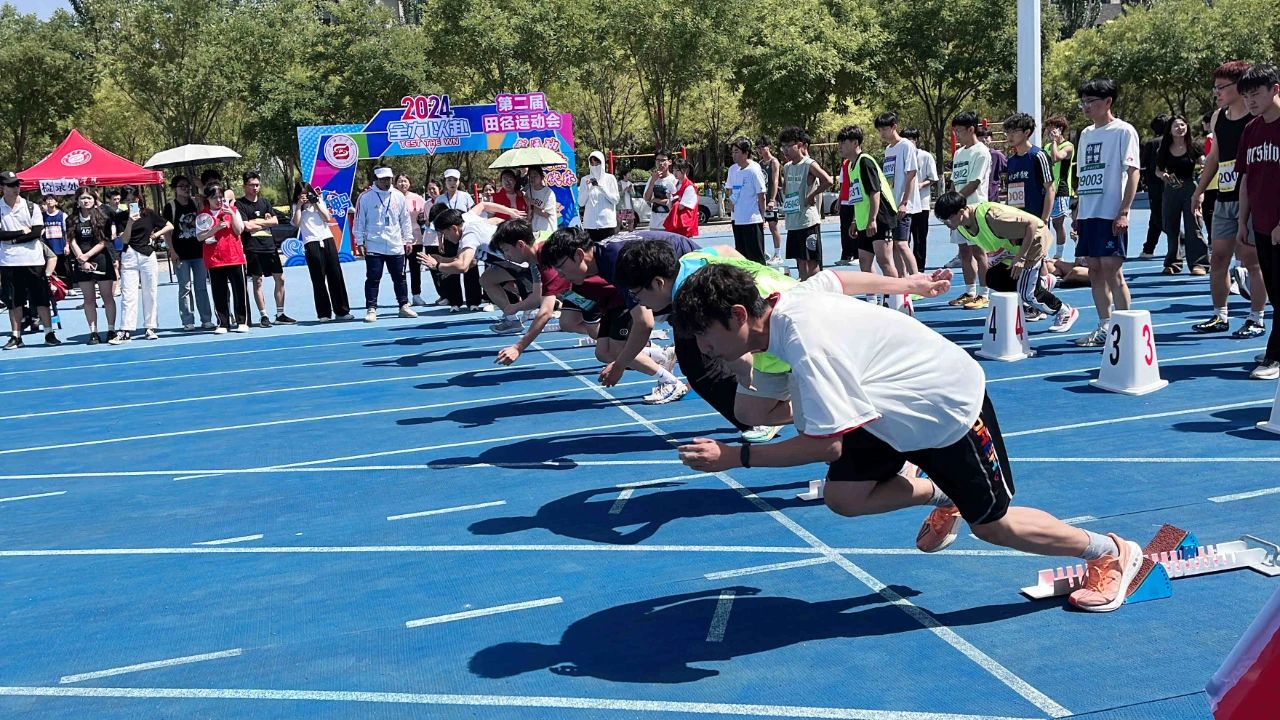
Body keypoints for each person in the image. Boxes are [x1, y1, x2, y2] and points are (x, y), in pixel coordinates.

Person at [672, 263, 1146, 613]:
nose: (702, 348)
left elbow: (825, 446)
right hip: (886, 409)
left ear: (739, 315)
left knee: (993, 526)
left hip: (947, 412)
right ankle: (943, 493)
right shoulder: (788, 298)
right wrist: (907, 284)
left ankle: (1109, 551)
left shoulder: (808, 345)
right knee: (844, 497)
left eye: (704, 335)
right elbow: (836, 279)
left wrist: (736, 456)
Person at [615, 238, 953, 444]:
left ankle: (858, 418)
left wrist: (737, 458)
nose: (638, 301)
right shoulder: (691, 260)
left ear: (658, 283)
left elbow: (734, 345)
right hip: (777, 325)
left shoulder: (696, 298)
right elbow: (727, 250)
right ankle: (831, 409)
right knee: (749, 410)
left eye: (638, 293)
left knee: (825, 446)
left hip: (792, 339)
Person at [541, 227, 695, 404]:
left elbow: (644, 323)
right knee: (606, 351)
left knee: (698, 357)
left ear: (579, 255)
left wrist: (619, 366)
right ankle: (667, 361)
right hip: (676, 275)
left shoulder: (617, 262)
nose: (560, 274)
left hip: (689, 272)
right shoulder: (604, 257)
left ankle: (673, 380)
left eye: (561, 267)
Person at [1192, 61, 1266, 338]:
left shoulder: (1257, 116)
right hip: (1224, 197)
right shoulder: (1218, 117)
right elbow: (1214, 157)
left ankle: (1256, 317)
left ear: (1240, 86)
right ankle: (1219, 315)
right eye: (1215, 87)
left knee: (1251, 259)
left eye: (1222, 87)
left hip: (1253, 198)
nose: (1217, 93)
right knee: (1219, 257)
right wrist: (1199, 191)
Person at [934, 191, 1078, 333]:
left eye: (947, 219)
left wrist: (1021, 258)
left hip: (1033, 243)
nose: (946, 223)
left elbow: (1032, 224)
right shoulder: (961, 225)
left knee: (1028, 294)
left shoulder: (992, 216)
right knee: (993, 278)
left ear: (961, 212)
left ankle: (1065, 311)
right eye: (942, 220)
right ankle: (1041, 283)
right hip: (1011, 249)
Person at [1071, 77, 1140, 347]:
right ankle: (1104, 326)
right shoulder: (1086, 134)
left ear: (1108, 101)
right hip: (1088, 213)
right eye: (1083, 102)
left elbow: (1133, 173)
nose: (1086, 107)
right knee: (1094, 270)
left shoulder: (1124, 131)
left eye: (1091, 101)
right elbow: (1082, 176)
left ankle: (1127, 327)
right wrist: (1078, 212)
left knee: (1113, 270)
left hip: (1110, 213)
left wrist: (1123, 211)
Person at [423, 202, 532, 333]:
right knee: (488, 280)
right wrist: (509, 211)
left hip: (519, 262)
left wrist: (437, 265)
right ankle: (514, 317)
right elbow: (484, 205)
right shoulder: (466, 219)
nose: (445, 238)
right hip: (508, 260)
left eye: (444, 234)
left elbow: (463, 266)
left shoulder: (469, 236)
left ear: (453, 228)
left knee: (540, 295)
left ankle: (535, 303)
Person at [1235, 63, 1280, 379]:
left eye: (1256, 93)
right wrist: (1243, 221)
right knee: (1274, 293)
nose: (1250, 101)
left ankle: (1274, 357)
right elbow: (1246, 179)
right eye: (1246, 95)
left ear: (1275, 89)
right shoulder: (1251, 130)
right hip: (1262, 225)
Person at [835, 126, 898, 301]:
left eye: (843, 142)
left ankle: (896, 300)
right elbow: (859, 197)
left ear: (855, 143)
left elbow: (874, 192)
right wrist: (855, 221)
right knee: (864, 261)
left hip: (880, 218)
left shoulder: (865, 162)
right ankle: (872, 300)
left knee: (884, 261)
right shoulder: (850, 166)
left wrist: (872, 220)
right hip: (864, 220)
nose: (840, 146)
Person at [0, 171, 58, 349]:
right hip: (9, 261)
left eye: (17, 184)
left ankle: (49, 333)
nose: (16, 188)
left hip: (33, 260)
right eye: (11, 185)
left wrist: (12, 239)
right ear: (2, 187)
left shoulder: (31, 207)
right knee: (14, 301)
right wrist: (20, 232)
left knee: (41, 298)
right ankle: (16, 336)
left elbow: (36, 232)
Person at [353, 166, 418, 322]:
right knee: (373, 277)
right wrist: (359, 241)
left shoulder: (398, 196)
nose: (386, 182)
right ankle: (371, 308)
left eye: (389, 179)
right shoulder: (366, 197)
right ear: (376, 179)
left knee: (400, 277)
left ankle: (403, 305)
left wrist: (408, 239)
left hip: (395, 244)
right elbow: (359, 220)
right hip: (374, 244)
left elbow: (405, 219)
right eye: (383, 179)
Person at [234, 171, 293, 328]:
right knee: (258, 281)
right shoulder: (240, 205)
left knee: (280, 278)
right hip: (253, 247)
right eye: (251, 185)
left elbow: (275, 221)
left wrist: (257, 222)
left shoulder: (265, 202)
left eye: (257, 185)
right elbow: (247, 226)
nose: (255, 188)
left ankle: (280, 314)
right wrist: (262, 222)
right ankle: (264, 315)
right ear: (244, 186)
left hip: (270, 246)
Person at [109, 187, 167, 344]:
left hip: (147, 255)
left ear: (138, 199)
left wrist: (155, 235)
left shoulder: (149, 214)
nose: (130, 202)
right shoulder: (120, 217)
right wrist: (130, 221)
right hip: (129, 255)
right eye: (127, 200)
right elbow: (124, 240)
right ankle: (125, 329)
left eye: (133, 199)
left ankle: (150, 327)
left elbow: (169, 225)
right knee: (128, 294)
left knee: (150, 292)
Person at [948, 111, 993, 309]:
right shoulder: (959, 153)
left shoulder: (981, 152)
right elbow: (954, 181)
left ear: (971, 129)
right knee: (963, 252)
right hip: (958, 210)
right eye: (955, 131)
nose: (957, 135)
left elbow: (974, 182)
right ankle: (970, 291)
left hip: (974, 209)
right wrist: (949, 204)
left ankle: (984, 293)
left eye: (960, 131)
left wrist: (954, 202)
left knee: (978, 251)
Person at [291, 181, 352, 321]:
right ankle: (324, 313)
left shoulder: (318, 201)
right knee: (318, 278)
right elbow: (296, 224)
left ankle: (342, 310)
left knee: (335, 275)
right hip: (311, 242)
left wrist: (316, 203)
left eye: (306, 194)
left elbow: (327, 218)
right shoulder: (296, 206)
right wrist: (299, 206)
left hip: (326, 239)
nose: (304, 197)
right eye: (301, 194)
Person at [160, 176, 214, 331]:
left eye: (187, 186)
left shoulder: (196, 202)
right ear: (174, 189)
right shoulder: (170, 207)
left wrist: (200, 188)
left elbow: (206, 216)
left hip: (198, 251)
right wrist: (172, 250)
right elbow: (167, 232)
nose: (186, 189)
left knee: (201, 286)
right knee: (185, 287)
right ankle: (188, 320)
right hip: (181, 253)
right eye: (182, 186)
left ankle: (206, 319)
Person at [779, 126, 832, 281]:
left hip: (808, 221)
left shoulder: (809, 164)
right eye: (783, 146)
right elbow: (787, 189)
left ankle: (817, 290)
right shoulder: (787, 167)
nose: (785, 150)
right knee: (800, 261)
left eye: (789, 146)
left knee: (811, 261)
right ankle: (804, 287)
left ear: (800, 145)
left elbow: (828, 180)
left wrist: (812, 194)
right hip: (793, 221)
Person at [1156, 115, 1207, 276]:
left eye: (1183, 125)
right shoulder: (1164, 148)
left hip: (1191, 188)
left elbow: (1204, 163)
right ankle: (1173, 263)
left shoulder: (1194, 146)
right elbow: (1158, 170)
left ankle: (1199, 263)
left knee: (1194, 225)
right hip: (1171, 189)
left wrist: (1203, 170)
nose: (1180, 128)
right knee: (1171, 227)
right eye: (1176, 126)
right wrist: (1163, 175)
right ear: (1170, 130)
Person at [196, 183, 249, 334]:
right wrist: (216, 228)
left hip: (234, 256)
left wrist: (231, 214)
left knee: (239, 290)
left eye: (221, 197)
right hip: (214, 259)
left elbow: (239, 231)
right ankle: (223, 322)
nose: (219, 200)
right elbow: (200, 237)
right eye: (215, 197)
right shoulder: (203, 215)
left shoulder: (233, 210)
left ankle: (242, 321)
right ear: (208, 199)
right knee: (219, 292)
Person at [66, 188, 117, 344]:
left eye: (89, 198)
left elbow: (104, 241)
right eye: (82, 198)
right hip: (81, 261)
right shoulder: (71, 219)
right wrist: (81, 259)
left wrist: (88, 256)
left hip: (101, 259)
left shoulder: (103, 217)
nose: (86, 201)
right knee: (89, 299)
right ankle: (93, 332)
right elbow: (72, 240)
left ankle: (111, 330)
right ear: (77, 200)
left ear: (95, 200)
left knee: (107, 296)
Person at [875, 112, 921, 277]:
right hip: (891, 205)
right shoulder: (888, 150)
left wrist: (904, 201)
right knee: (895, 244)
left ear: (894, 127)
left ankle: (916, 278)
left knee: (902, 243)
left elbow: (911, 173)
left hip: (903, 205)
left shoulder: (906, 145)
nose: (882, 133)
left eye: (884, 129)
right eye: (880, 130)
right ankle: (903, 281)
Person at [726, 137, 768, 264]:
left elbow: (761, 195)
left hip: (752, 220)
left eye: (736, 152)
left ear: (745, 153)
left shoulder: (754, 170)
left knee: (756, 258)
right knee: (742, 258)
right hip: (738, 220)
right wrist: (731, 207)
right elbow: (731, 191)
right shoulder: (734, 170)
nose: (733, 155)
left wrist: (763, 216)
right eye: (732, 152)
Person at [903, 128, 938, 271]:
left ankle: (919, 269)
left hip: (922, 204)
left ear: (916, 140)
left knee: (919, 239)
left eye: (911, 139)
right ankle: (905, 269)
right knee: (903, 240)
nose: (908, 143)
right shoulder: (901, 156)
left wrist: (921, 185)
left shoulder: (926, 156)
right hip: (905, 205)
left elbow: (933, 178)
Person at [394, 174, 430, 307]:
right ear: (395, 184)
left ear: (409, 183)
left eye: (405, 181)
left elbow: (424, 216)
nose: (402, 184)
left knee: (415, 268)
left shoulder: (418, 198)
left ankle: (416, 295)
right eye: (400, 181)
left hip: (416, 239)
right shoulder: (391, 197)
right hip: (397, 239)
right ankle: (403, 298)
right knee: (399, 271)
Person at [1138, 114, 1170, 259]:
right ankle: (1149, 248)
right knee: (1156, 217)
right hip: (1171, 184)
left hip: (1155, 186)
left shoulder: (1151, 144)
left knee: (1158, 216)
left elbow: (1143, 165)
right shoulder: (1174, 142)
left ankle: (1181, 239)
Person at [1045, 116, 1076, 259]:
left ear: (1060, 129)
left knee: (1058, 223)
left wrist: (1054, 142)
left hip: (1061, 189)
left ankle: (1059, 255)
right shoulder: (1046, 147)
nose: (1049, 131)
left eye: (1052, 128)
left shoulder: (1068, 146)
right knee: (1044, 223)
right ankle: (1044, 253)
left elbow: (1056, 157)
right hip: (1047, 190)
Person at [755, 136, 785, 266]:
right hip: (761, 199)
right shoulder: (759, 164)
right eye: (758, 148)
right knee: (759, 226)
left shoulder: (774, 161)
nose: (760, 150)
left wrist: (772, 199)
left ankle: (778, 254)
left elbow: (775, 180)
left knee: (773, 226)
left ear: (769, 147)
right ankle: (763, 252)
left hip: (771, 198)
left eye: (762, 147)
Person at [579, 151, 619, 240]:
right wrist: (588, 189)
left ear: (602, 163)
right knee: (592, 248)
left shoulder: (610, 178)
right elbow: (581, 203)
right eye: (592, 164)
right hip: (590, 225)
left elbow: (615, 200)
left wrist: (600, 187)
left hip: (607, 224)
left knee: (608, 248)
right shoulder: (585, 179)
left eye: (597, 163)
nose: (595, 166)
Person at [643, 149, 679, 231]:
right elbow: (647, 198)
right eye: (658, 160)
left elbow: (674, 202)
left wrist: (656, 200)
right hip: (654, 224)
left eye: (663, 160)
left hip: (669, 224)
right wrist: (653, 181)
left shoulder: (674, 179)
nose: (660, 163)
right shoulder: (652, 178)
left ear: (669, 162)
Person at [663, 159, 699, 238]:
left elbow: (681, 206)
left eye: (677, 170)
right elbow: (671, 207)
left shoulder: (689, 187)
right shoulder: (676, 184)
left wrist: (673, 198)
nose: (675, 173)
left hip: (684, 224)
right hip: (677, 223)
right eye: (673, 170)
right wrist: (670, 197)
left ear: (685, 170)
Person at [40, 195, 70, 285]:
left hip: (60, 246)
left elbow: (67, 232)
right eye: (47, 200)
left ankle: (67, 287)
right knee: (50, 268)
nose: (49, 201)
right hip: (48, 246)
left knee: (64, 268)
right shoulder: (42, 216)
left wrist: (67, 245)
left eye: (51, 199)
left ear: (56, 202)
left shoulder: (63, 215)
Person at [525, 165, 560, 238]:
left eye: (535, 175)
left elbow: (546, 214)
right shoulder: (528, 192)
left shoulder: (548, 193)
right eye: (530, 175)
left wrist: (530, 205)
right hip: (533, 231)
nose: (532, 178)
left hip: (546, 231)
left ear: (541, 176)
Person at [978, 126, 1007, 202]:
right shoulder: (972, 155)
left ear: (991, 139)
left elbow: (1009, 168)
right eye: (980, 137)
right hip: (976, 198)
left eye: (986, 137)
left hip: (993, 197)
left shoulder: (996, 155)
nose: (983, 140)